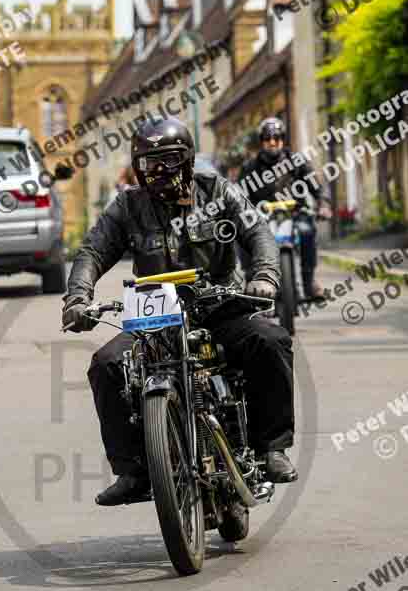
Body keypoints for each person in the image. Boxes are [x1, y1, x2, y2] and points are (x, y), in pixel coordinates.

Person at [62, 117, 298, 506]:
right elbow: (92, 251)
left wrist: (266, 277)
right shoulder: (127, 206)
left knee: (270, 341)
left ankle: (272, 448)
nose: (158, 172)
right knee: (106, 364)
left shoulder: (217, 191)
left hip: (219, 306)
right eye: (149, 164)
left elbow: (258, 234)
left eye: (168, 161)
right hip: (157, 315)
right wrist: (77, 299)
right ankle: (133, 470)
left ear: (187, 160)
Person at [239, 117, 332, 299]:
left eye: (277, 137)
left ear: (283, 139)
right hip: (262, 217)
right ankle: (253, 285)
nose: (272, 142)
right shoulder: (250, 167)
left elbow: (316, 185)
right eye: (267, 138)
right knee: (246, 238)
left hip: (295, 213)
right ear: (262, 141)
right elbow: (239, 196)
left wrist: (323, 203)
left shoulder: (297, 161)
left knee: (306, 230)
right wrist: (241, 214)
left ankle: (309, 283)